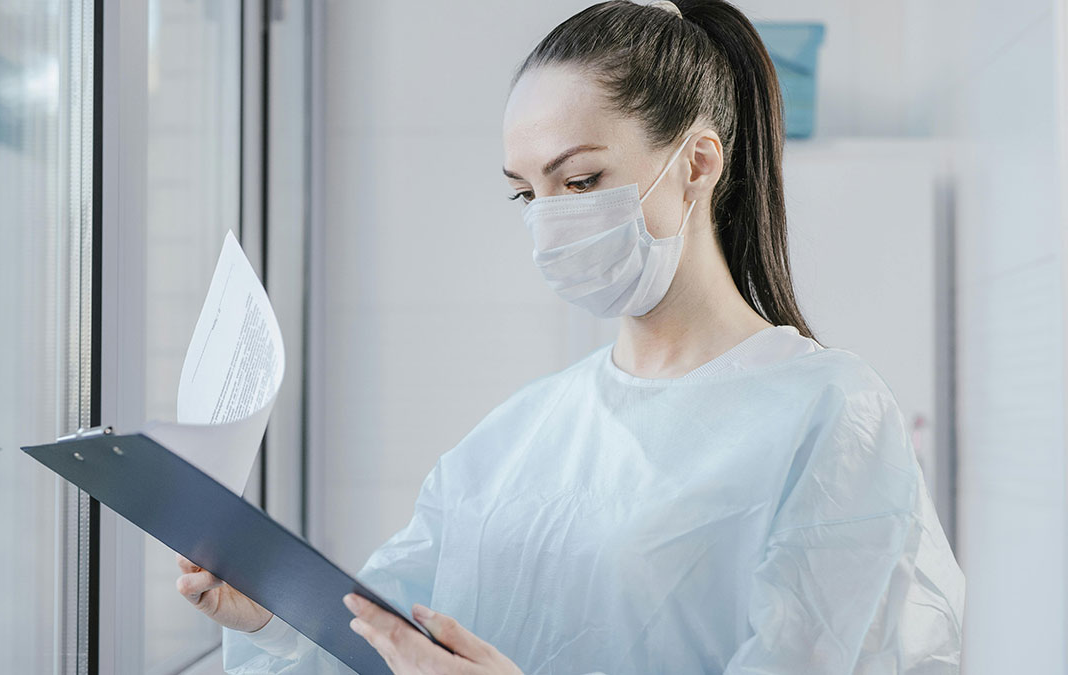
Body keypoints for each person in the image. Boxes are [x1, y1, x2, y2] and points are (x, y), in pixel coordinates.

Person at [176, 0, 965, 672]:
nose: (552, 219)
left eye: (580, 180)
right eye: (527, 194)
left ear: (697, 163)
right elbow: (385, 631)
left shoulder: (830, 414)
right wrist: (270, 614)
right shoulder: (518, 435)